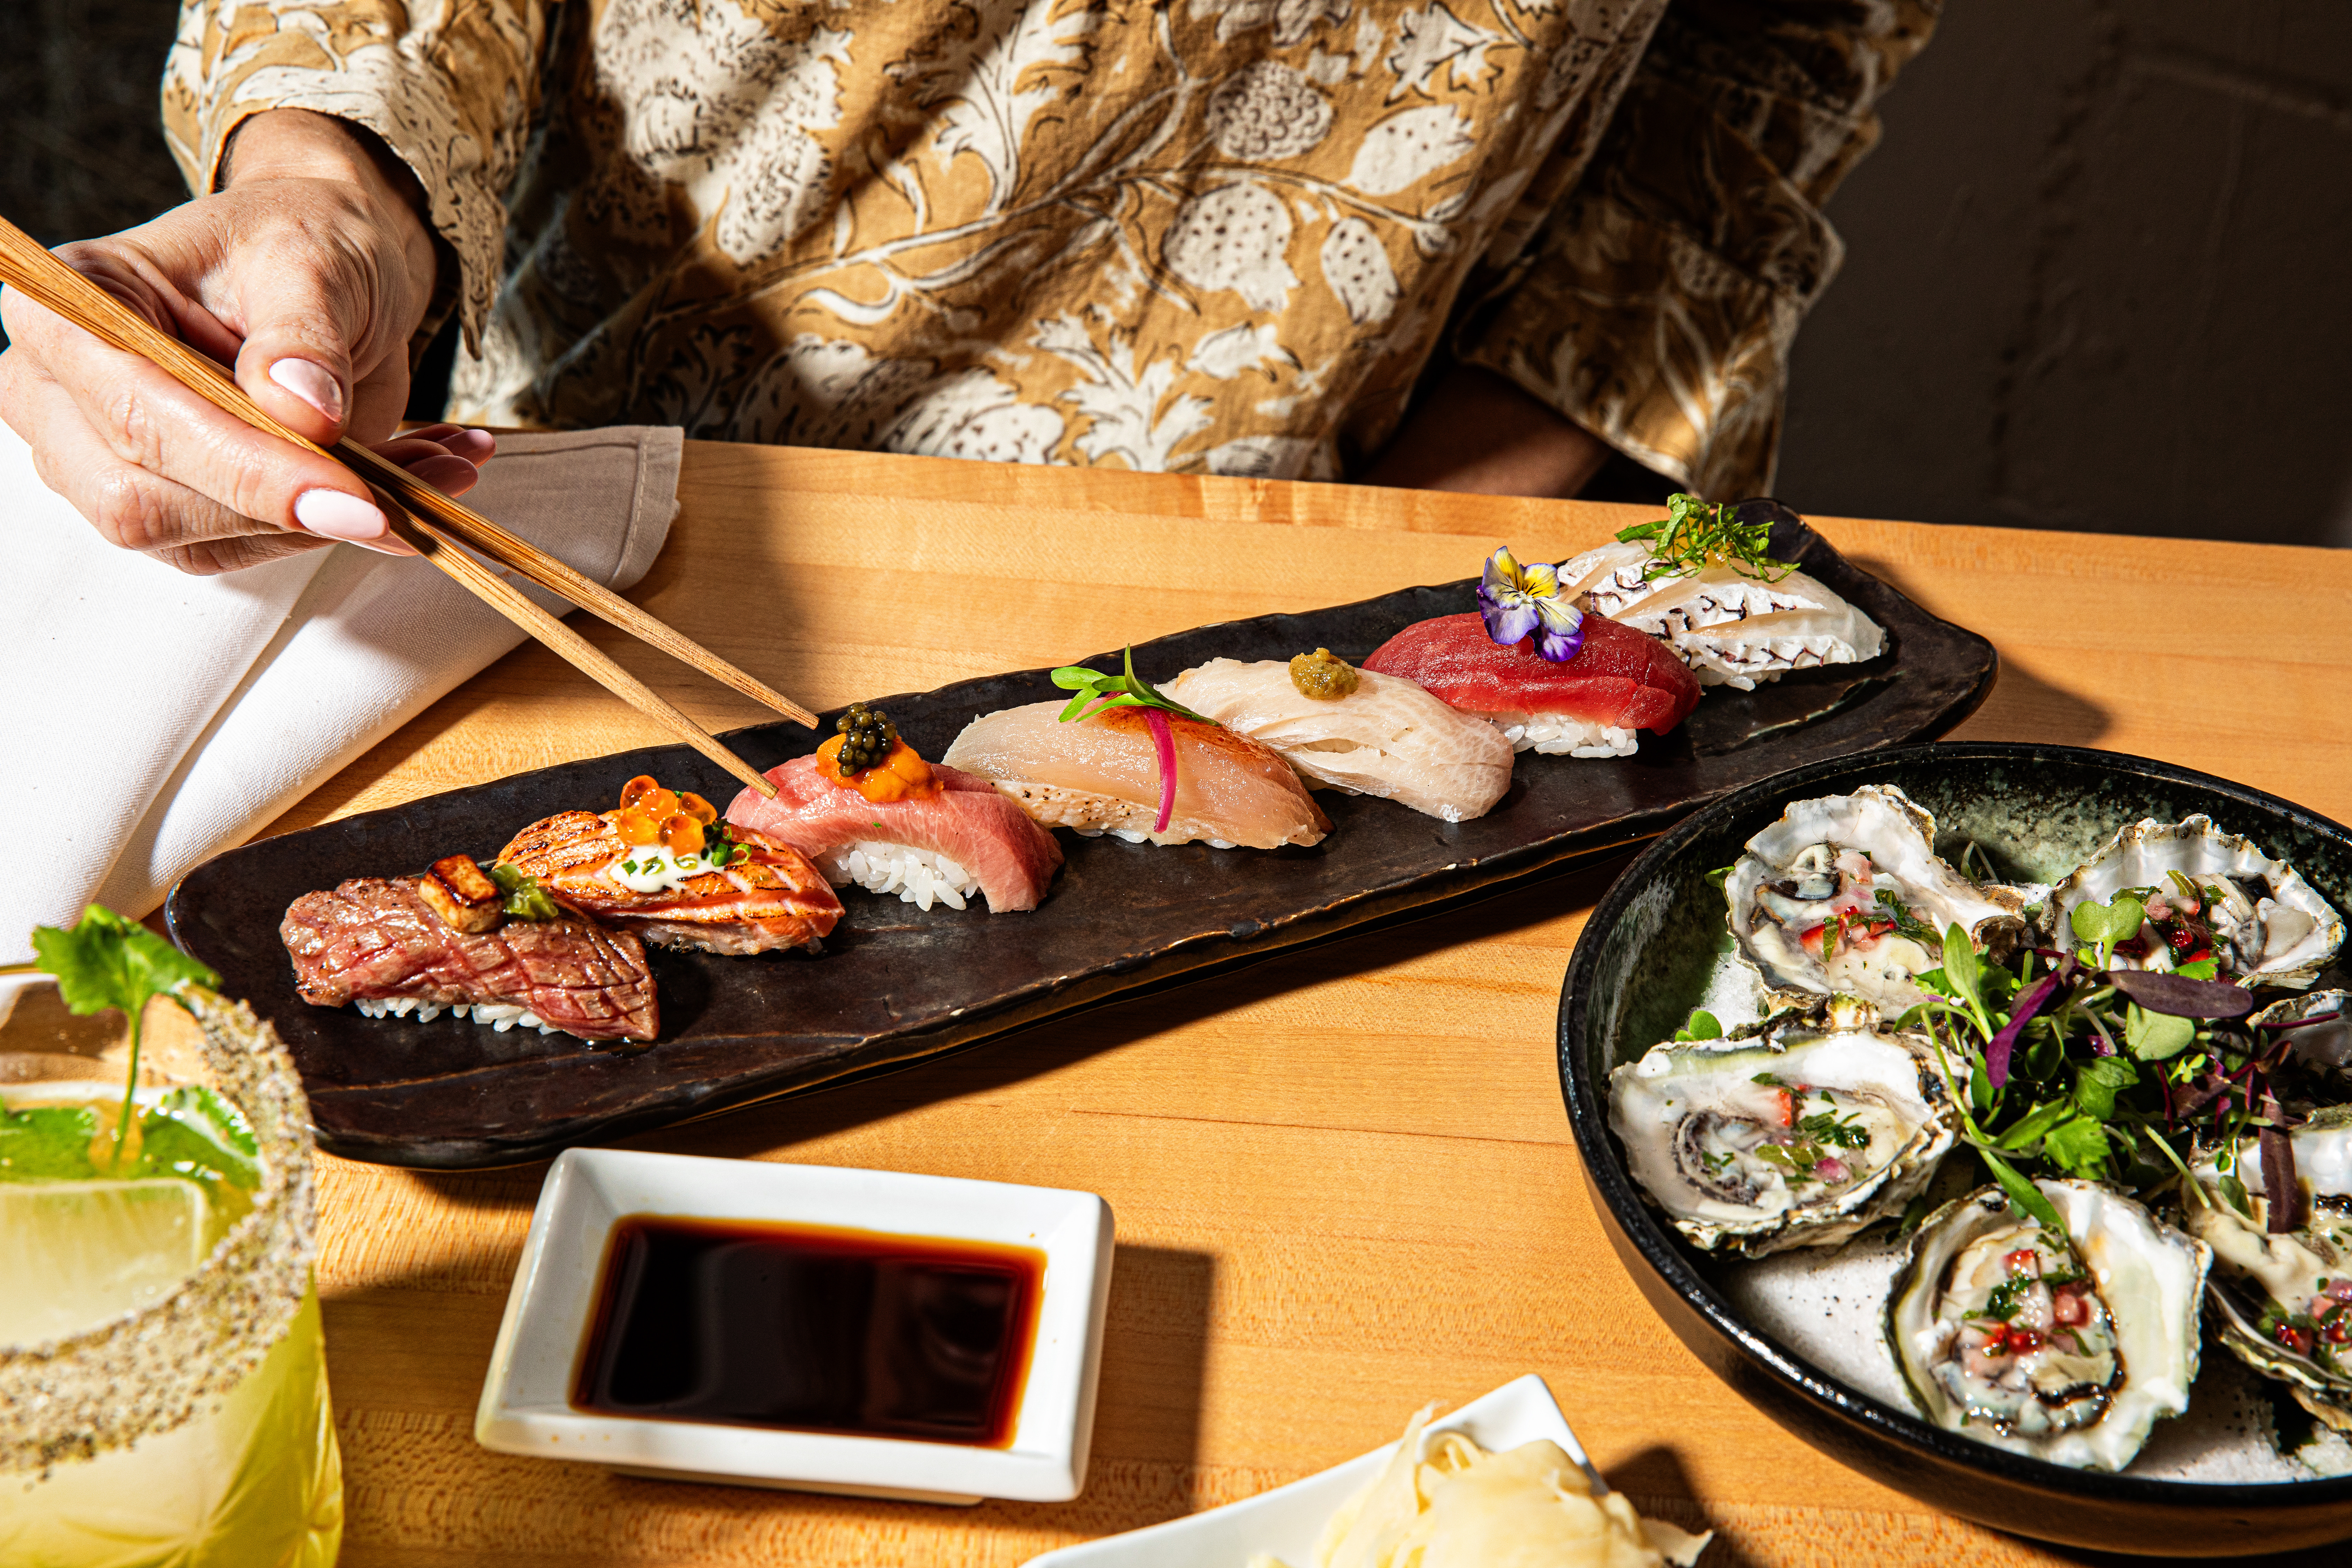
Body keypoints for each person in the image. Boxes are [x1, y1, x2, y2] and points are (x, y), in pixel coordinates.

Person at [0, 0, 1935, 575]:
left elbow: (1792, 32)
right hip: (626, 509)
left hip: (1412, 535)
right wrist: (333, 183)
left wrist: (1538, 443)